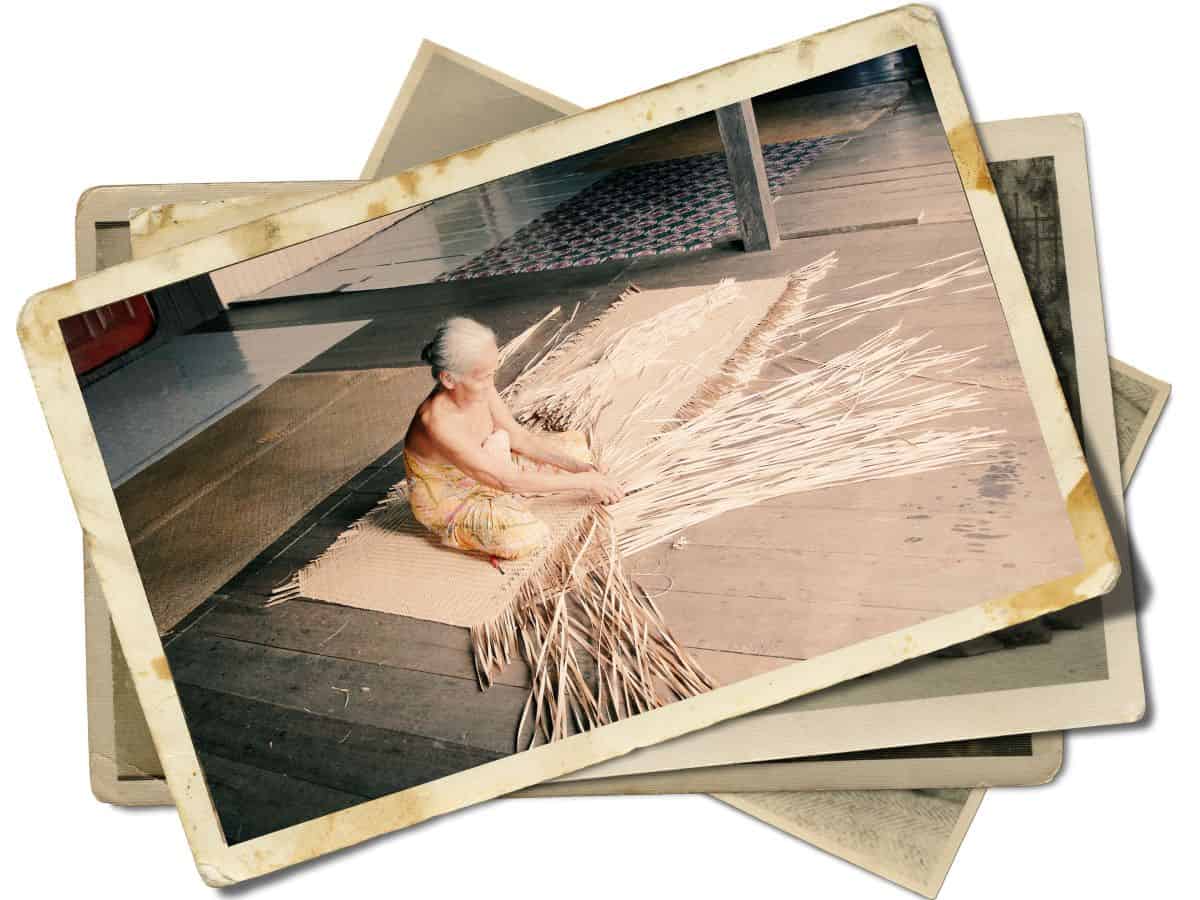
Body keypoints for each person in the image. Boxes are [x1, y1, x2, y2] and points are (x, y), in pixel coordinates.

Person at [403, 317, 624, 561]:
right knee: (525, 535)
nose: (491, 383)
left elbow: (519, 437)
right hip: (452, 495)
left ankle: (514, 497)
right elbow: (506, 480)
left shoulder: (480, 385)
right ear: (448, 379)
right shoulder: (438, 422)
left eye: (492, 373)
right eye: (483, 377)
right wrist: (585, 482)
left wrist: (579, 468)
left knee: (576, 449)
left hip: (487, 464)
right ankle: (499, 507)